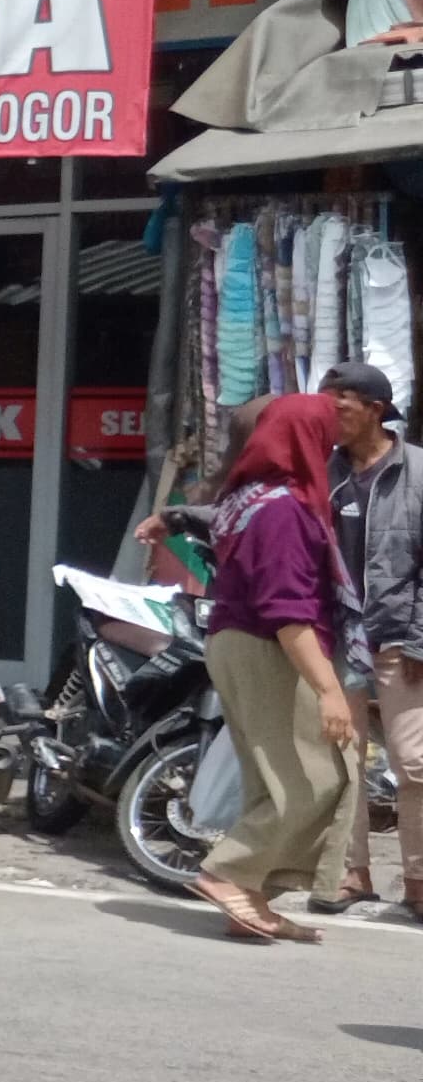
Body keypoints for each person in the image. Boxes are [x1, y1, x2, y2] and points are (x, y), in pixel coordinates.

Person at [194, 390, 363, 943]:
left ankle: (249, 897)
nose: (332, 443)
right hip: (269, 645)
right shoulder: (284, 509)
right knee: (321, 777)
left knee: (273, 779)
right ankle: (228, 873)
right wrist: (329, 691)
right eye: (325, 433)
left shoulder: (247, 497)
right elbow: (288, 610)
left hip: (237, 641)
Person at [316, 363, 423, 917]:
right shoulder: (322, 472)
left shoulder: (417, 472)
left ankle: (418, 879)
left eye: (340, 405)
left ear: (376, 410)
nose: (328, 415)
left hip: (400, 640)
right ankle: (351, 872)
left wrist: (419, 640)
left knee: (416, 763)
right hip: (338, 640)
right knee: (342, 759)